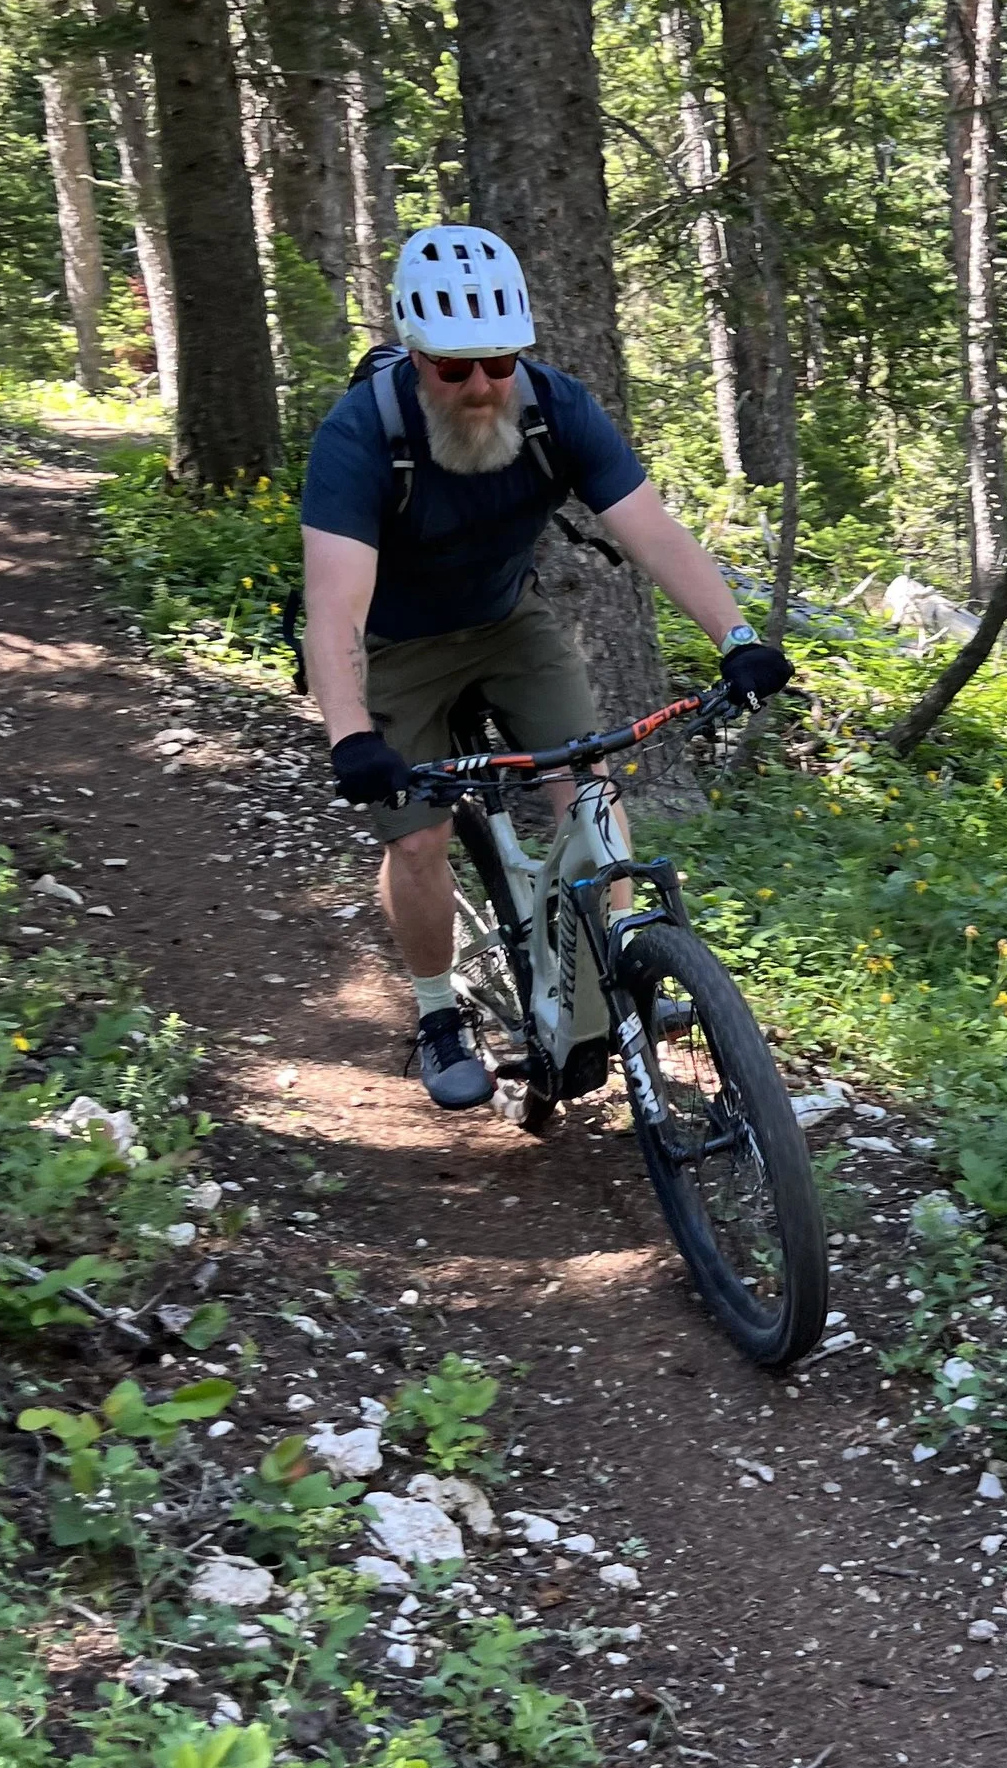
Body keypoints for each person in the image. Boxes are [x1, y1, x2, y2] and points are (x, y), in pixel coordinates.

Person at [299, 222, 792, 1110]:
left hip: (505, 621)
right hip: (394, 644)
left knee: (593, 798)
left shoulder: (556, 408)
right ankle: (438, 1008)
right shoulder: (360, 435)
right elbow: (335, 604)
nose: (481, 385)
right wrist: (350, 735)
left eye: (498, 362)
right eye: (453, 369)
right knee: (417, 834)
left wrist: (736, 636)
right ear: (416, 357)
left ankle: (615, 975)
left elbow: (651, 530)